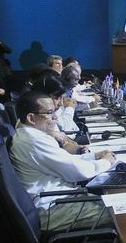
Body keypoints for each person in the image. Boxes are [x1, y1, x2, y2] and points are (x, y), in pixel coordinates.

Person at [10, 91, 117, 232]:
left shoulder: (31, 134)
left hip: (59, 199)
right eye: (49, 113)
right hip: (54, 209)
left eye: (54, 111)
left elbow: (65, 161)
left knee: (116, 201)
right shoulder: (34, 141)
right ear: (31, 118)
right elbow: (78, 172)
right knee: (121, 214)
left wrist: (94, 156)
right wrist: (106, 162)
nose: (55, 116)